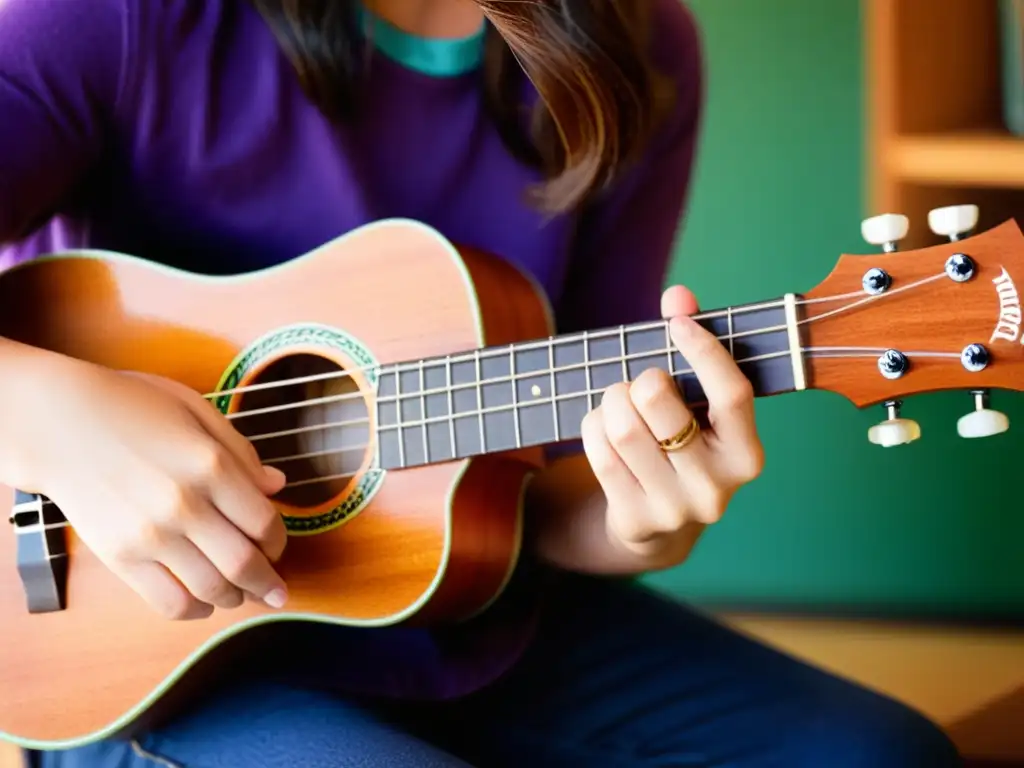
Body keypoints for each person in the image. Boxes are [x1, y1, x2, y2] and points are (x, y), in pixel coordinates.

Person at [0, 0, 962, 766]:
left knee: (881, 752)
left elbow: (540, 494)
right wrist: (55, 421)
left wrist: (644, 519)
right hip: (149, 653)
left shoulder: (640, 47)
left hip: (473, 632)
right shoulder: (121, 12)